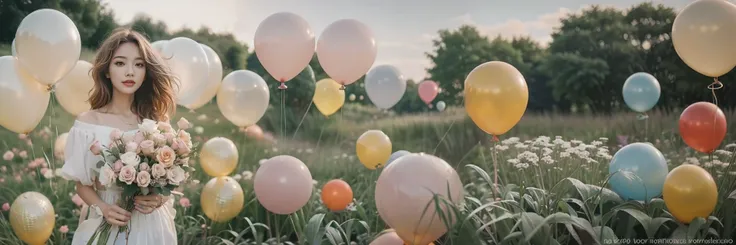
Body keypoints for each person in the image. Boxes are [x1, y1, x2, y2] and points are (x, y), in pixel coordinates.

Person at [59, 27, 179, 245]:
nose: (130, 72)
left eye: (139, 64)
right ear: (107, 70)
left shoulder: (156, 122)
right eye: (120, 63)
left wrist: (159, 198)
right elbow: (82, 184)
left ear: (146, 72)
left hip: (150, 225)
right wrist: (103, 208)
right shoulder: (88, 123)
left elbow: (171, 181)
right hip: (108, 220)